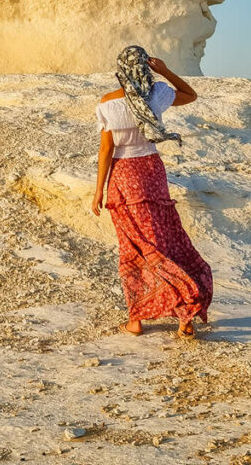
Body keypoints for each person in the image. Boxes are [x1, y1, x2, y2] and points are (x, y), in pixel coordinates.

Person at [92, 45, 213, 339]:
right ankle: (185, 314)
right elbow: (190, 95)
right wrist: (166, 70)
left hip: (124, 176)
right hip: (151, 172)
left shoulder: (107, 104)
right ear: (146, 67)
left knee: (134, 247)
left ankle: (137, 319)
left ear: (120, 70)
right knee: (166, 238)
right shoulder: (157, 95)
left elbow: (107, 151)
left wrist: (98, 191)